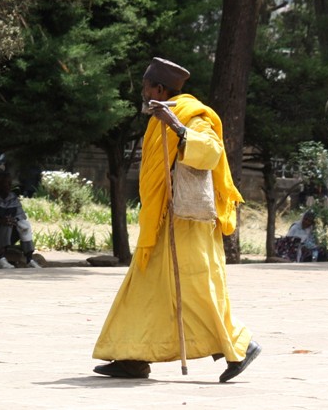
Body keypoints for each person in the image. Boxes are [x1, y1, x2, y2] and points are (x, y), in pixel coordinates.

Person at [92, 57, 260, 383]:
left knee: (195, 289)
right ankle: (132, 357)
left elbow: (211, 152)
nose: (142, 92)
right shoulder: (158, 119)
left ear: (159, 88)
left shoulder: (192, 114)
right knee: (142, 288)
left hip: (188, 223)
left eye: (145, 86)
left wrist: (178, 128)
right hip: (163, 220)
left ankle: (241, 345)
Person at [0, 171, 41, 269]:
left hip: (10, 235)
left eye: (9, 184)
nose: (8, 186)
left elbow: (22, 215)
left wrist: (14, 220)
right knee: (5, 224)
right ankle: (0, 259)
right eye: (5, 184)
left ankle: (29, 259)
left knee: (24, 224)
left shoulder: (13, 197)